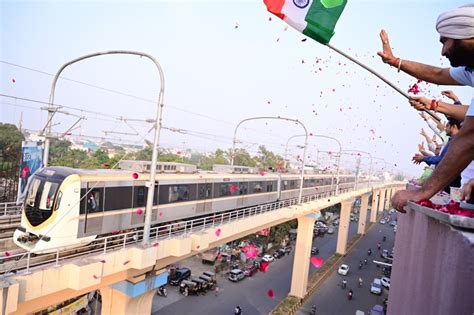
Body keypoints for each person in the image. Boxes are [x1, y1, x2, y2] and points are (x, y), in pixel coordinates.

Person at [377, 4, 474, 211]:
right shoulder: (471, 70)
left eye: (445, 41)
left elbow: (469, 137)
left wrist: (422, 192)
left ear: (466, 35)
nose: (443, 50)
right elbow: (437, 75)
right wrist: (396, 62)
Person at [412, 117, 464, 192]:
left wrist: (424, 158)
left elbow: (443, 159)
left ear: (454, 127)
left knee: (453, 200)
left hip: (454, 182)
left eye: (447, 126)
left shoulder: (456, 142)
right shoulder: (452, 140)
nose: (445, 128)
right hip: (449, 181)